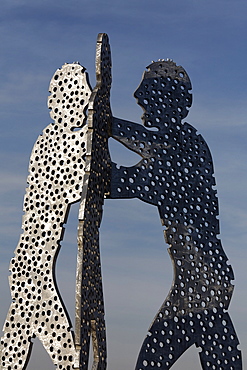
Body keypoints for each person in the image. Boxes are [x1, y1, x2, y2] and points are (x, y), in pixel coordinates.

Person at [109, 59, 242, 369]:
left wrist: (103, 137)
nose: (139, 96)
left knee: (151, 362)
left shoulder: (185, 148)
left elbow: (136, 180)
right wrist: (108, 125)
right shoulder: (184, 142)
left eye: (149, 90)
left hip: (200, 289)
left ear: (168, 99)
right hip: (204, 285)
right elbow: (146, 141)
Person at [0, 62, 92, 370]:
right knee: (67, 355)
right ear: (61, 100)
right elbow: (79, 182)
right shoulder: (53, 142)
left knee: (14, 347)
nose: (87, 99)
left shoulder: (59, 141)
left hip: (30, 266)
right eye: (80, 94)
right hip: (32, 267)